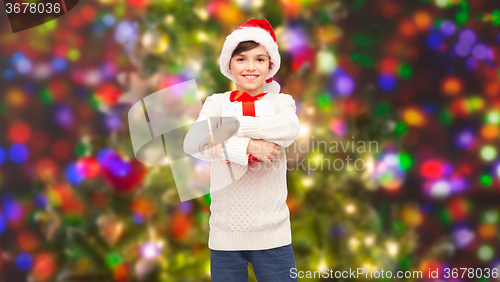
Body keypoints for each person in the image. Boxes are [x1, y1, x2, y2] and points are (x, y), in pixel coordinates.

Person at [183, 18, 300, 282]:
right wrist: (248, 146)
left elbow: (288, 128)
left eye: (259, 59)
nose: (250, 67)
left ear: (271, 65)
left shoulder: (281, 102)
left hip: (273, 236)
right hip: (226, 237)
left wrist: (227, 126)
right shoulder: (216, 103)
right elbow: (193, 142)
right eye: (241, 59)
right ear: (229, 64)